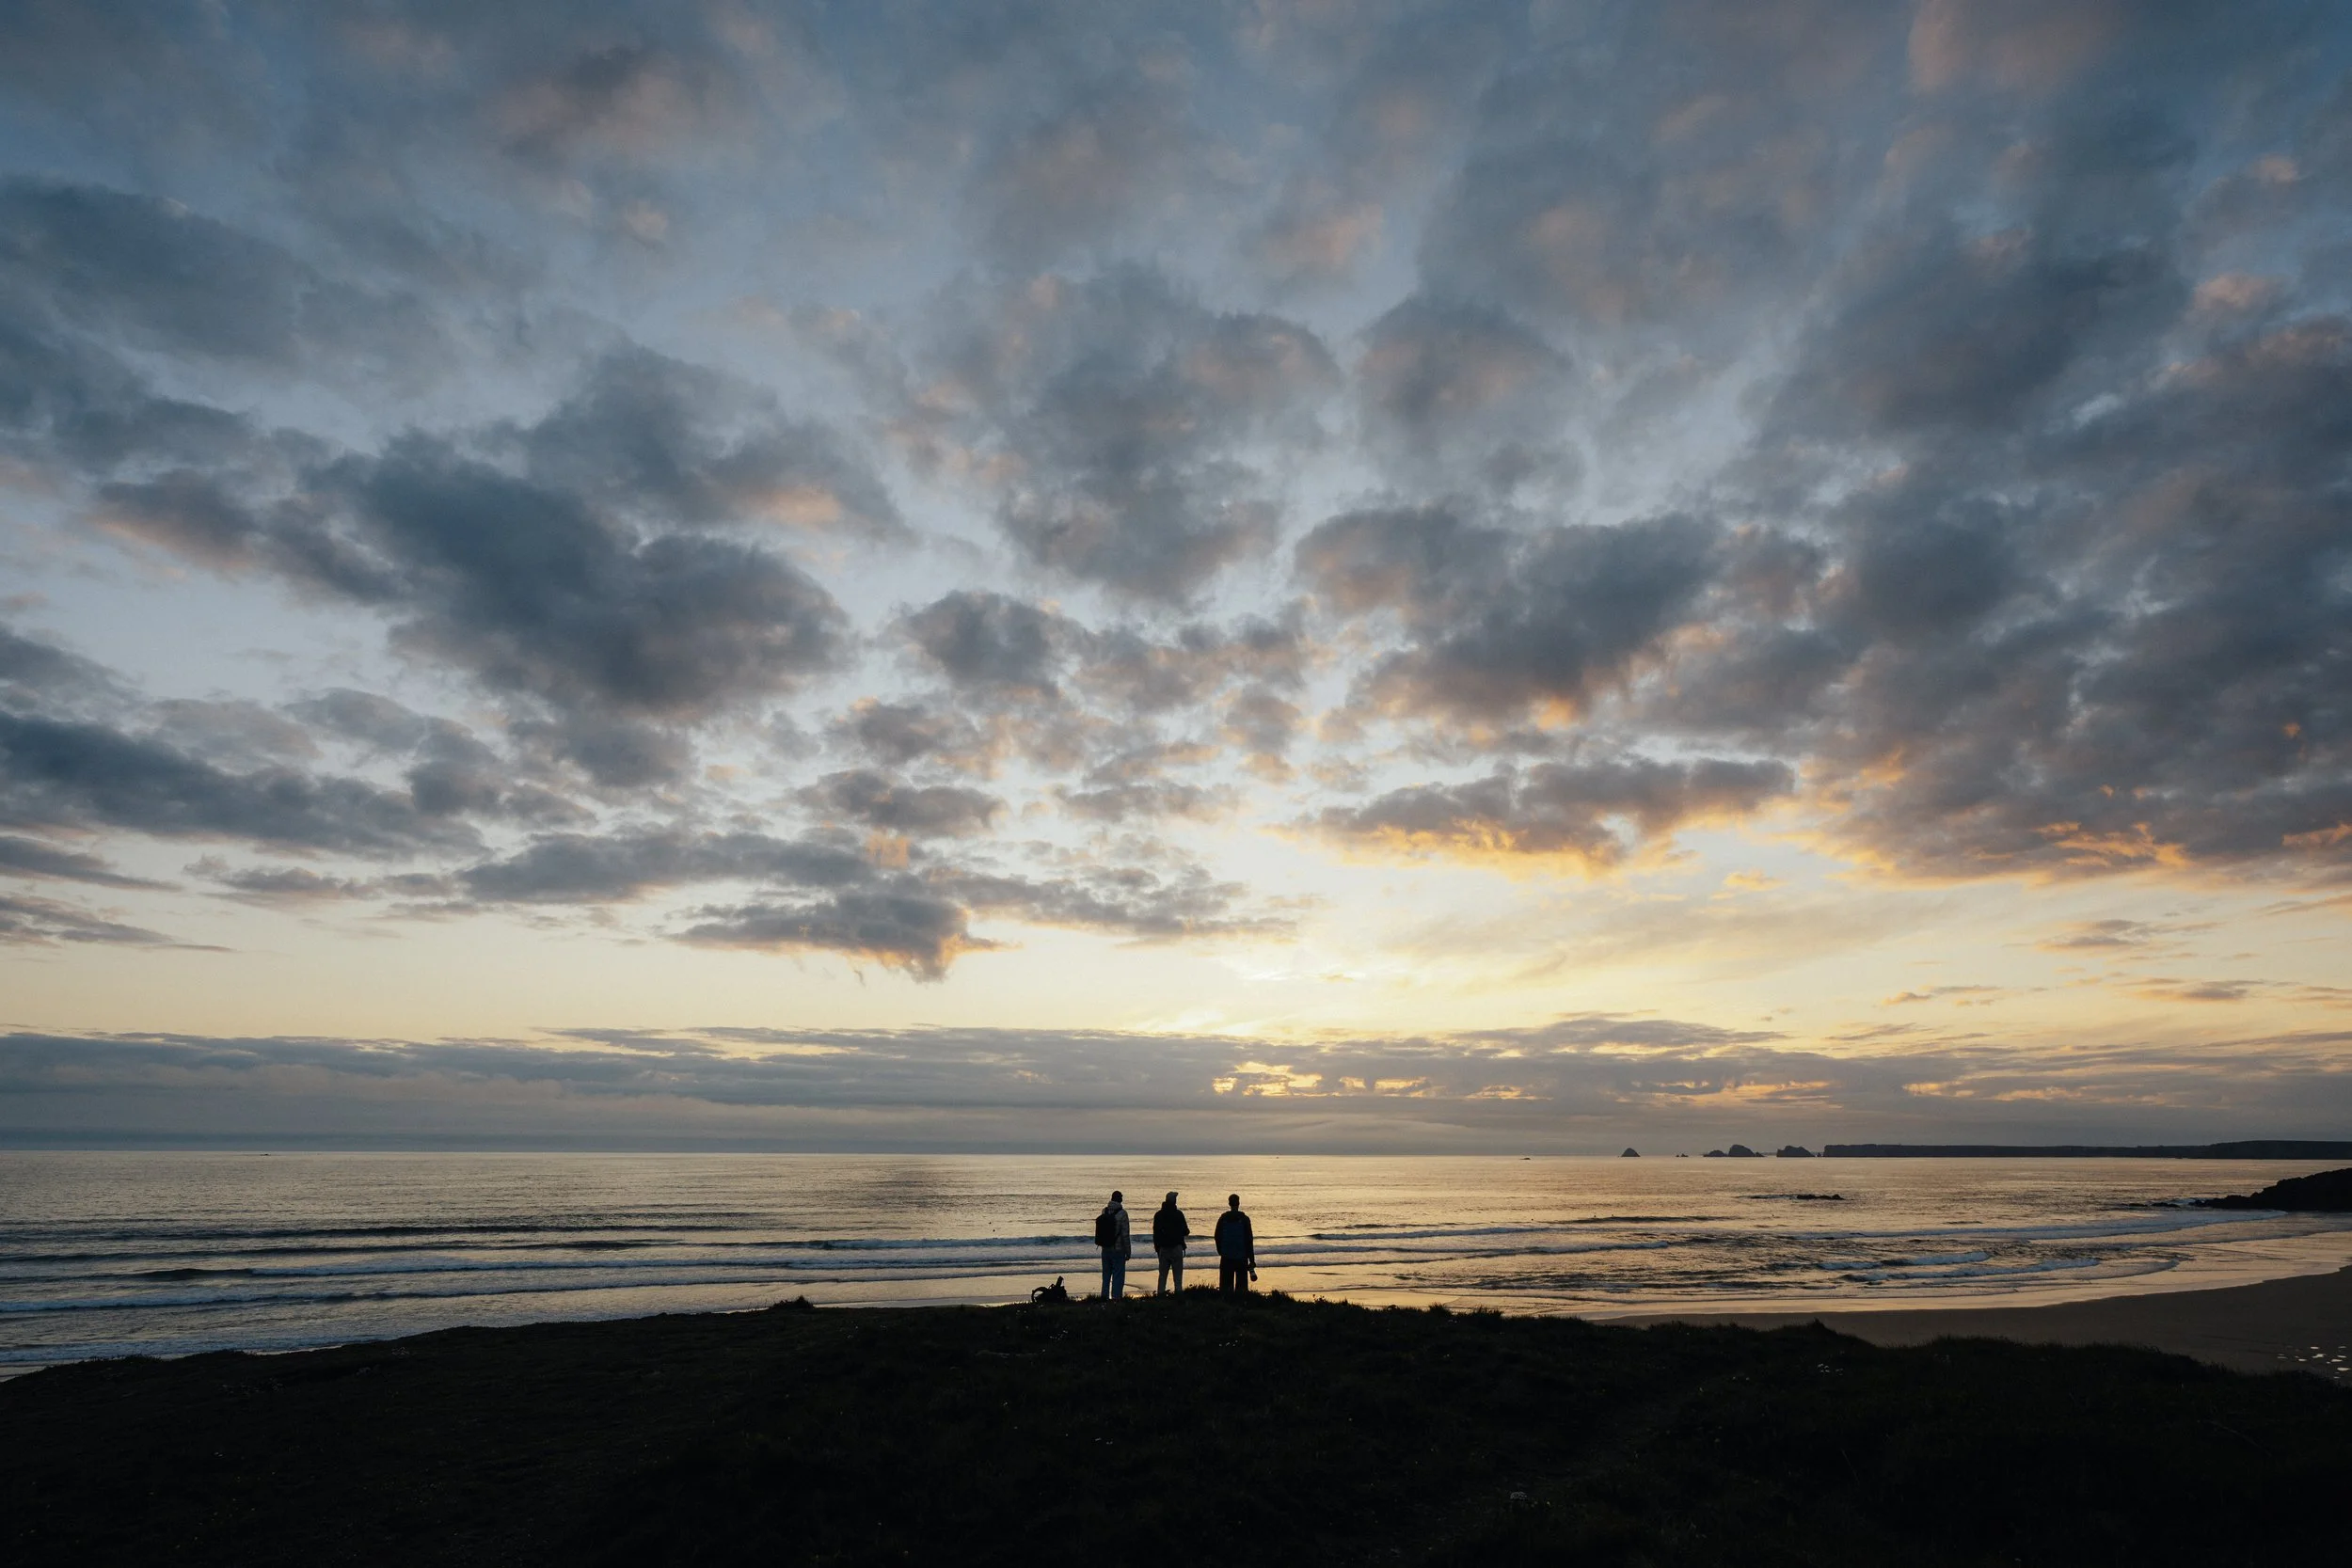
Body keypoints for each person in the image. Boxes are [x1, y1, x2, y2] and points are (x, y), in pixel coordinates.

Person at [1213, 1192, 1255, 1297]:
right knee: (1242, 1288)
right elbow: (1249, 1240)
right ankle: (1240, 1307)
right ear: (1238, 1203)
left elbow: (1217, 1235)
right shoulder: (1245, 1219)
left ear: (1229, 1203)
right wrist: (1252, 1260)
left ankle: (1227, 1307)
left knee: (1226, 1288)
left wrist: (1220, 1250)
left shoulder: (1223, 1218)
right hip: (1242, 1256)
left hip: (1226, 1256)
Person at [1093, 1189, 1131, 1300]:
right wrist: (1128, 1252)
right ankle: (1116, 1298)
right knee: (1118, 1276)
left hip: (1105, 1248)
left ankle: (1104, 1297)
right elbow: (1125, 1235)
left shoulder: (1104, 1211)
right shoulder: (1123, 1214)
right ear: (1120, 1199)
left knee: (1106, 1275)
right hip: (1118, 1249)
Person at [1151, 1191, 1190, 1294]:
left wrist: (1157, 1248)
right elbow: (1186, 1231)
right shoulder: (1178, 1214)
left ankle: (1160, 1296)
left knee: (1162, 1276)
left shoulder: (1158, 1215)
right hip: (1176, 1247)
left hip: (1163, 1248)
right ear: (1174, 1201)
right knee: (1178, 1277)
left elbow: (1156, 1233)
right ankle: (1178, 1296)